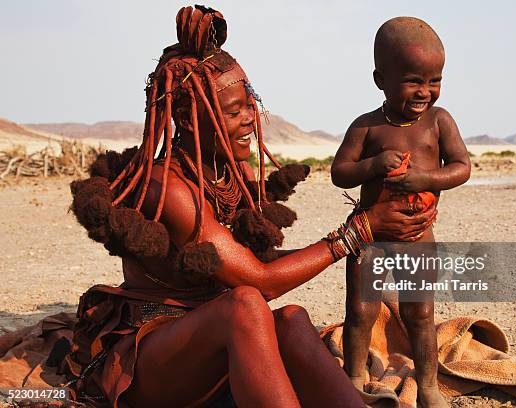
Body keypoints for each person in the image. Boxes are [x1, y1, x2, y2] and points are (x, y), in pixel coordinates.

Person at [61, 6, 436, 408]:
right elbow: (259, 282)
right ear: (189, 119)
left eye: (249, 104)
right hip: (153, 360)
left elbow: (250, 266)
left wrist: (363, 237)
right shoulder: (166, 187)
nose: (248, 119)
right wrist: (355, 233)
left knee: (292, 319)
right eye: (232, 110)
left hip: (218, 345)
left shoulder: (229, 173)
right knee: (245, 304)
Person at [330, 16, 471, 407]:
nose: (425, 91)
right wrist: (373, 166)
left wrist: (425, 178)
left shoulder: (439, 122)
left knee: (421, 315)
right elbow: (340, 173)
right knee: (359, 311)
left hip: (416, 238)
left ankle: (427, 385)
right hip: (369, 239)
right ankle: (354, 377)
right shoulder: (366, 127)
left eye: (434, 80)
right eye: (413, 80)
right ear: (381, 80)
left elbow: (461, 167)